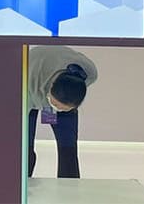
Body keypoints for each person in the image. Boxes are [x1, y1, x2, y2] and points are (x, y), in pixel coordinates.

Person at [27, 46, 98, 179]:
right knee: (24, 148)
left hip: (59, 88)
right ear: (50, 88)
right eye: (55, 105)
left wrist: (61, 109)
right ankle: (22, 181)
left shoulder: (89, 72)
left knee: (68, 148)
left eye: (63, 108)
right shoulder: (28, 82)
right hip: (31, 81)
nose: (57, 109)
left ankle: (69, 186)